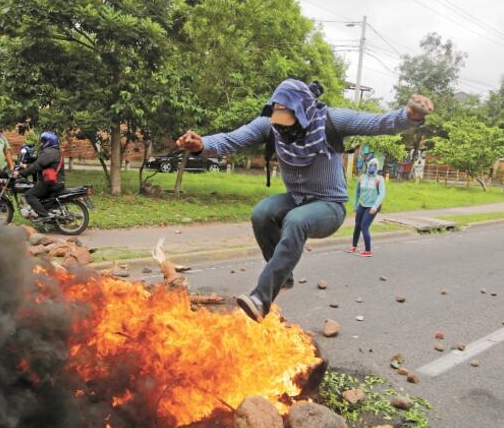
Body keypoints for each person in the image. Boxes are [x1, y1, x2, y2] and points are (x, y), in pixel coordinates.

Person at [175, 78, 433, 322]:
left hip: (329, 205)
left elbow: (376, 123)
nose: (281, 128)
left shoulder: (331, 120)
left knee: (296, 220)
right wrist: (201, 144)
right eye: (277, 118)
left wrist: (408, 116)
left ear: (303, 113)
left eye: (287, 121)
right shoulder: (270, 124)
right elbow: (232, 139)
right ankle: (283, 275)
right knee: (261, 213)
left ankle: (261, 298)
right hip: (296, 199)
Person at [17, 131, 63, 222]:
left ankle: (44, 216)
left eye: (43, 141)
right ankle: (42, 212)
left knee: (29, 195)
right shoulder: (54, 151)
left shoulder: (48, 153)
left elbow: (36, 166)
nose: (41, 144)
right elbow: (39, 165)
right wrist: (27, 166)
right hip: (56, 182)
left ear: (48, 142)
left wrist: (21, 173)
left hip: (49, 184)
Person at [350, 157, 386, 257]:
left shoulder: (379, 179)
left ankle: (368, 250)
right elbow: (357, 192)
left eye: (375, 165)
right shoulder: (362, 177)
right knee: (357, 226)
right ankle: (354, 246)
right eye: (371, 165)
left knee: (364, 226)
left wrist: (375, 207)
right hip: (362, 205)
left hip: (372, 207)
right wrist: (355, 205)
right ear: (368, 165)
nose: (372, 167)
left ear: (377, 167)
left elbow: (382, 194)